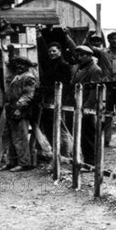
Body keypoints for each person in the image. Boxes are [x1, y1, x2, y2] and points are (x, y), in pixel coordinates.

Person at [85, 30, 116, 147]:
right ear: (109, 40)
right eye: (112, 38)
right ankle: (106, 140)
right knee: (106, 114)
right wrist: (88, 37)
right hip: (107, 87)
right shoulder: (103, 52)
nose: (115, 40)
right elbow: (87, 48)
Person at [36, 27, 74, 157]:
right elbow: (42, 49)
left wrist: (58, 95)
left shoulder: (64, 66)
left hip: (58, 98)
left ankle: (64, 153)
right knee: (49, 125)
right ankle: (55, 151)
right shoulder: (49, 64)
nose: (51, 53)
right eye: (50, 51)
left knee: (59, 126)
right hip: (48, 97)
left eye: (54, 51)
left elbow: (66, 85)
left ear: (60, 51)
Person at [0, 56, 37, 172]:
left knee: (20, 137)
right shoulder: (17, 76)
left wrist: (19, 108)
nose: (19, 66)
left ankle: (24, 163)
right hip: (11, 108)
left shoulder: (28, 77)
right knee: (9, 137)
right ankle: (11, 162)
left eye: (22, 64)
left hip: (21, 110)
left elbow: (28, 95)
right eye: (18, 64)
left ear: (27, 66)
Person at [69, 45, 104, 166]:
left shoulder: (95, 70)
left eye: (83, 55)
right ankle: (86, 160)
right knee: (81, 134)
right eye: (79, 55)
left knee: (88, 135)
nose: (80, 57)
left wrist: (86, 108)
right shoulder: (78, 67)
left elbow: (94, 92)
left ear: (89, 56)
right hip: (77, 104)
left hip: (86, 107)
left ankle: (92, 162)